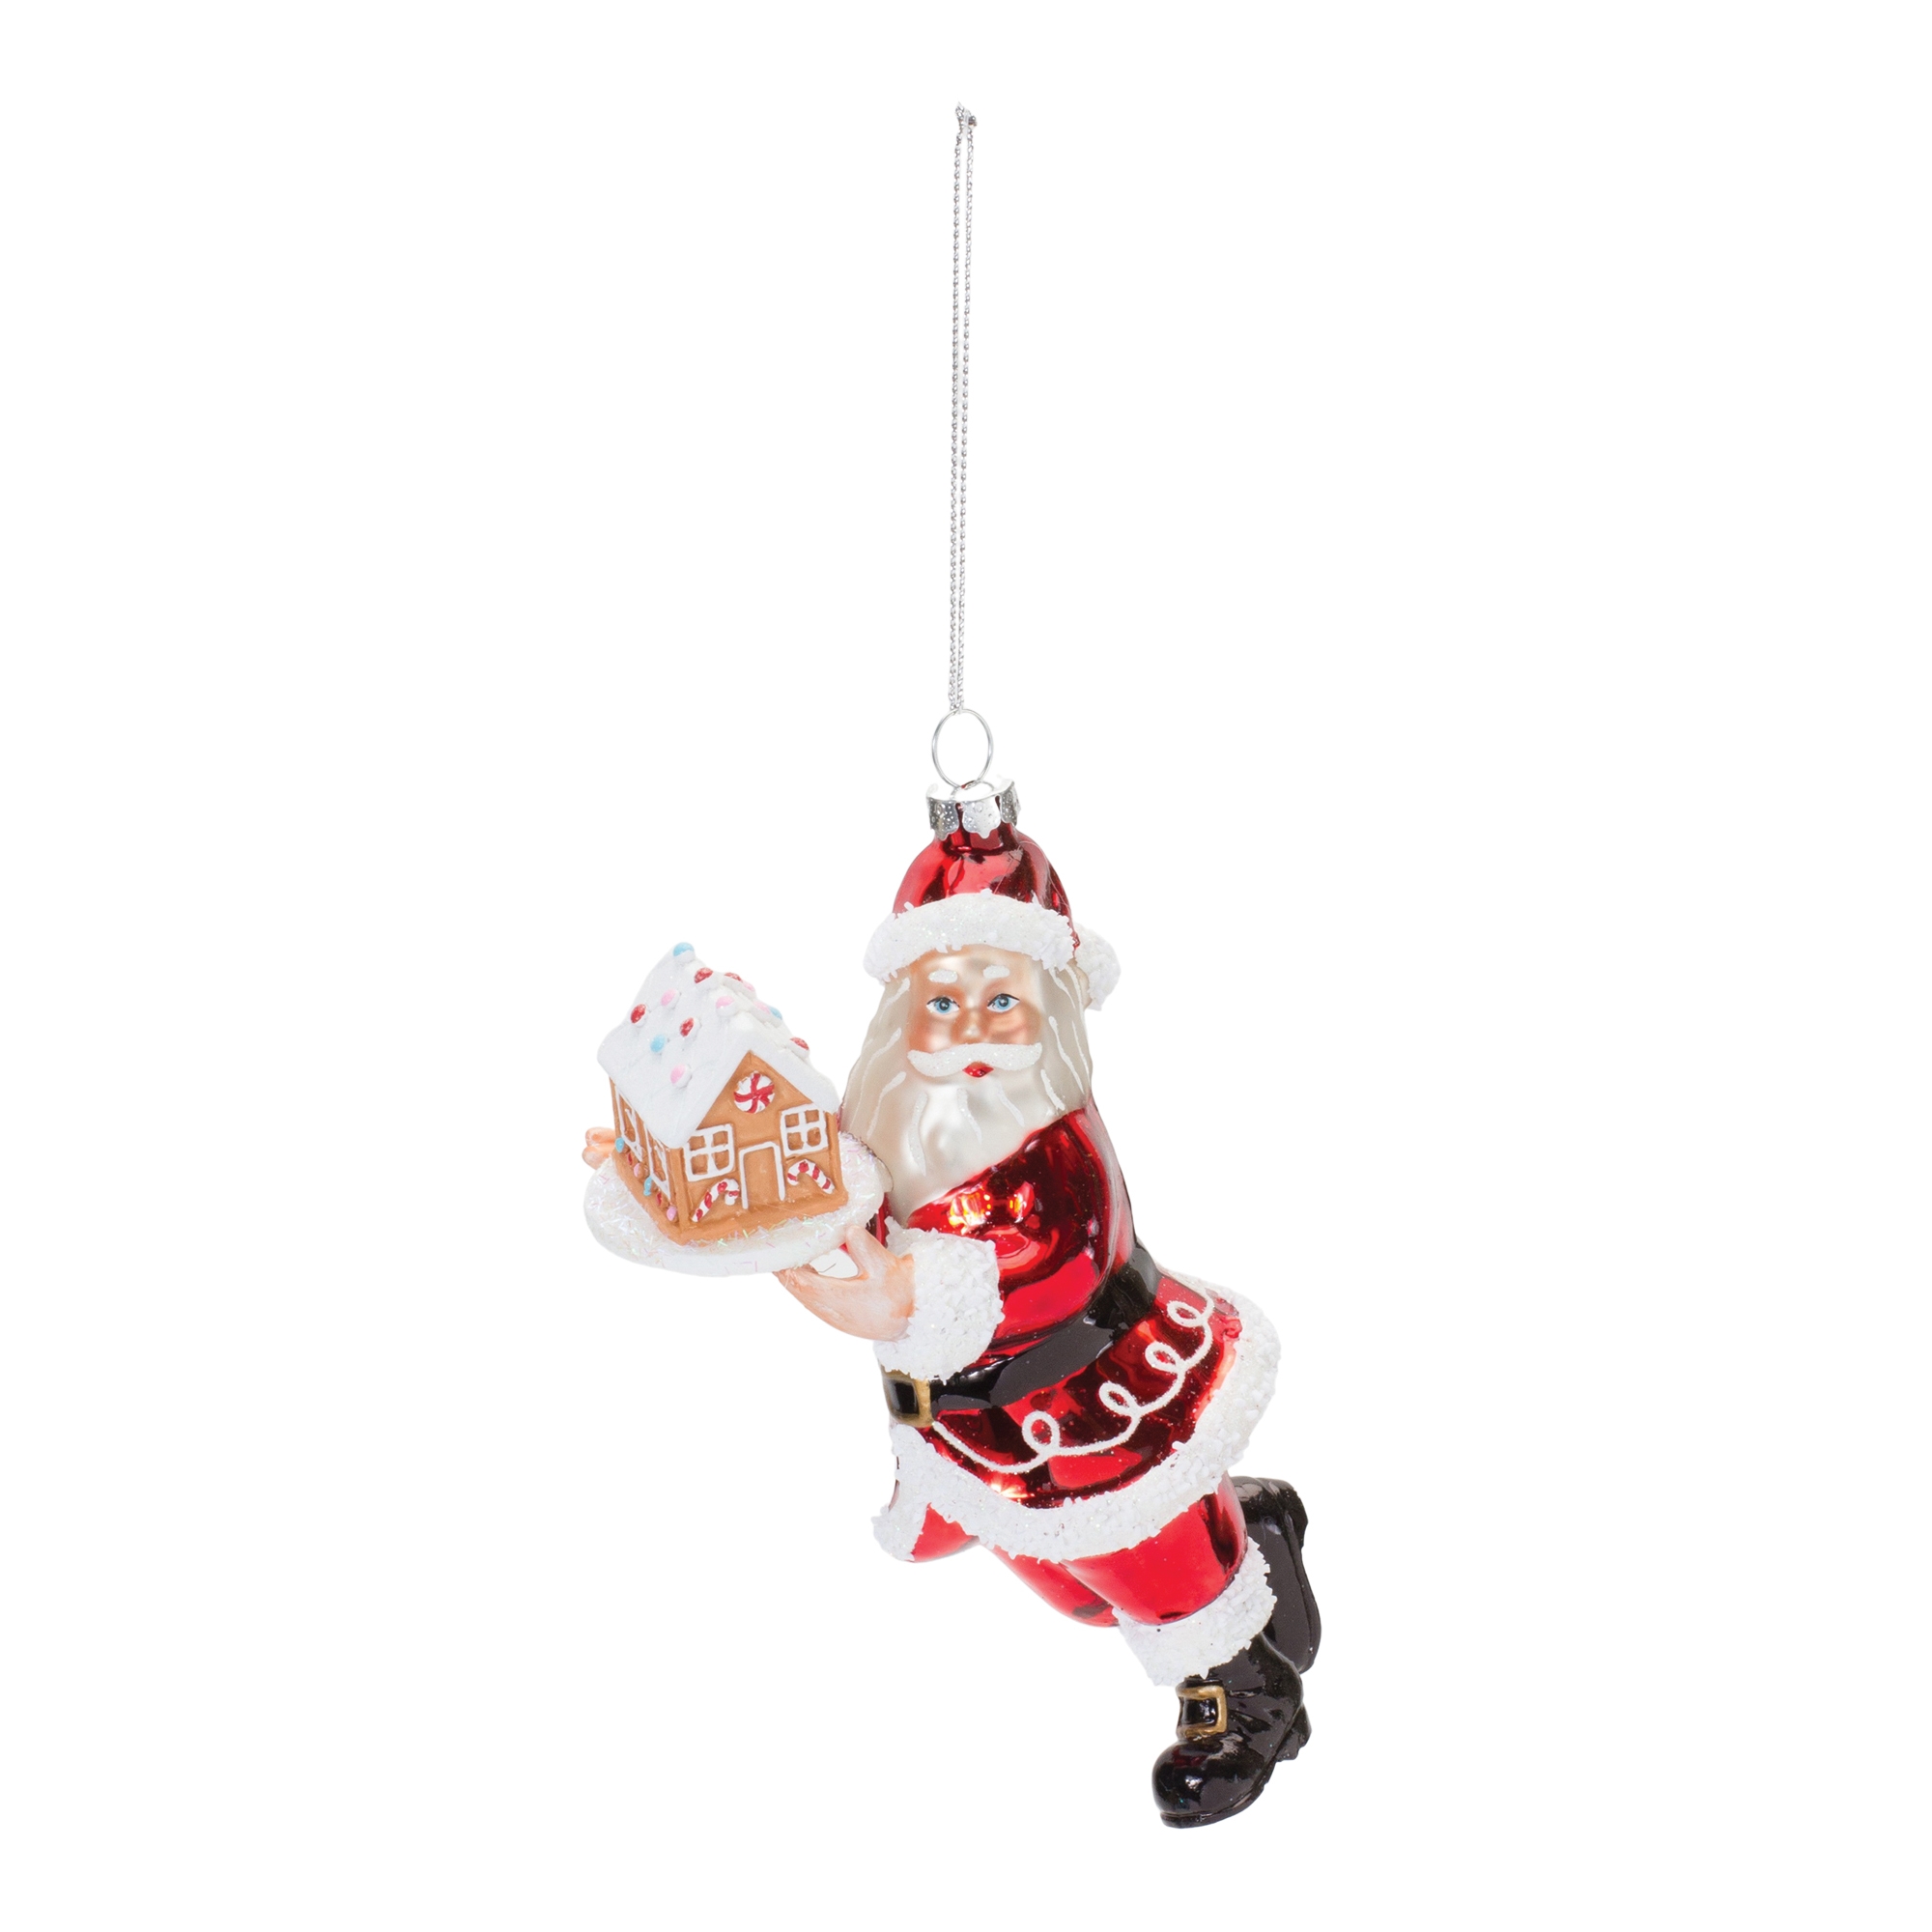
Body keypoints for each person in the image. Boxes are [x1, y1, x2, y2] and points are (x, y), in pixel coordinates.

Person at [771, 801, 1321, 1827]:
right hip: (976, 1430)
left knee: (1146, 1571)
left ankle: (1243, 1695)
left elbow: (1058, 1258)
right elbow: (830, 1193)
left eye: (1001, 1002)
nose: (971, 1030)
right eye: (942, 1003)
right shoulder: (886, 1125)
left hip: (1087, 1405)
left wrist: (910, 1294)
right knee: (1073, 1590)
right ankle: (1248, 1521)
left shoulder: (1053, 1144)